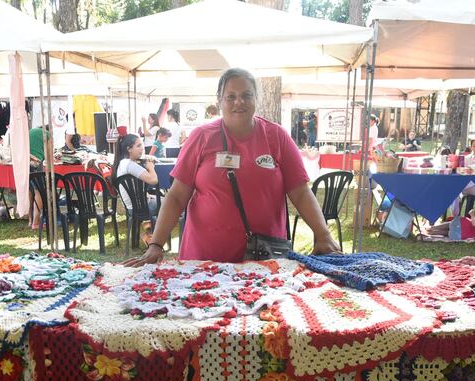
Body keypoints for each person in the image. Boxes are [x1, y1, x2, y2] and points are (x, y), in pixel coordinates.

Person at [124, 67, 341, 266]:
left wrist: (323, 235)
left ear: (257, 98)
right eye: (231, 96)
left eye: (247, 95)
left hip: (264, 259)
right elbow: (177, 196)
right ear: (219, 101)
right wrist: (156, 245)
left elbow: (300, 192)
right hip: (204, 260)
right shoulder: (201, 137)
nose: (239, 102)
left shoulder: (277, 136)